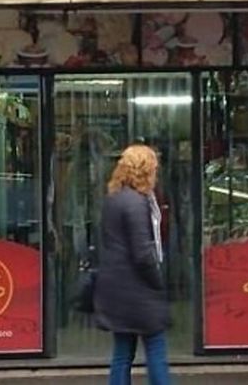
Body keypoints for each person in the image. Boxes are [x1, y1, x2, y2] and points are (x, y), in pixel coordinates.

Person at [94, 144, 171, 385]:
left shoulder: (113, 198)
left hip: (116, 287)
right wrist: (157, 282)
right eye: (153, 168)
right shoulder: (137, 202)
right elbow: (143, 254)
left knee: (122, 353)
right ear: (145, 170)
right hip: (138, 290)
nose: (156, 172)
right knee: (156, 348)